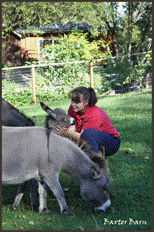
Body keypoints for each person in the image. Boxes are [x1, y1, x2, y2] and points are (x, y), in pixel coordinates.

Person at [59, 86, 121, 163]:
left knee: (87, 135)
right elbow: (71, 121)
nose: (73, 104)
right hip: (92, 137)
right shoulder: (73, 108)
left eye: (77, 102)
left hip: (111, 143)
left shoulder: (94, 114)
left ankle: (94, 163)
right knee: (70, 131)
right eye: (72, 100)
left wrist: (66, 132)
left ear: (86, 102)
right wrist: (66, 127)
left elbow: (84, 137)